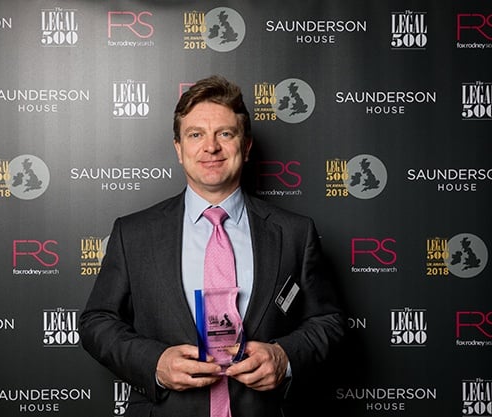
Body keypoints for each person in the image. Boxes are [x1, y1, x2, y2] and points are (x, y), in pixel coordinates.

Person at [79, 75, 345, 417]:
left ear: (246, 147)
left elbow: (328, 321)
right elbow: (97, 321)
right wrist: (154, 362)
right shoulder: (133, 233)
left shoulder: (294, 232)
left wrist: (285, 357)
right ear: (179, 149)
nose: (211, 147)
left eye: (225, 134)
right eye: (195, 135)